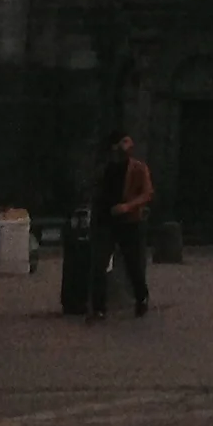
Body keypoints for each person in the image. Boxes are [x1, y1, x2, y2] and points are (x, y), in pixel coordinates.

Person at [87, 131, 154, 319]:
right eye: (125, 142)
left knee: (133, 263)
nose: (129, 146)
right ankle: (98, 308)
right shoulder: (104, 167)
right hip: (104, 220)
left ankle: (141, 297)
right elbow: (94, 187)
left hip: (129, 221)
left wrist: (127, 206)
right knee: (98, 264)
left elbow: (147, 193)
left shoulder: (138, 168)